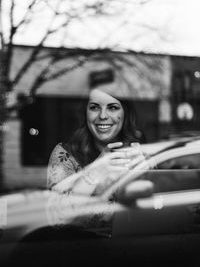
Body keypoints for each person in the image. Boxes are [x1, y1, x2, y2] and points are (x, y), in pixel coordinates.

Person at [46, 87, 148, 229]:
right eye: (94, 107)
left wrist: (145, 176)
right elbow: (57, 219)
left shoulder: (141, 154)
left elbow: (160, 216)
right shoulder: (65, 155)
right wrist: (94, 173)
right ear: (85, 113)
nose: (102, 116)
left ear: (125, 113)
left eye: (112, 108)